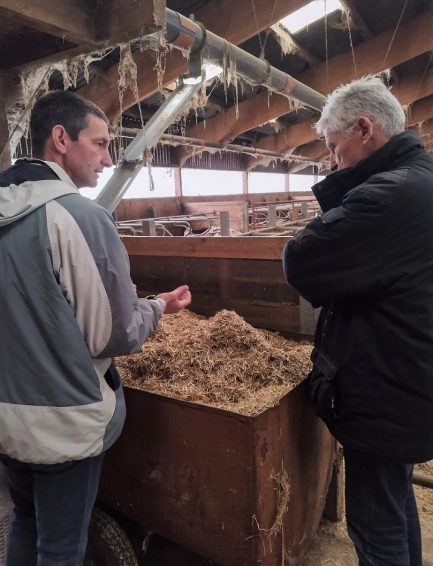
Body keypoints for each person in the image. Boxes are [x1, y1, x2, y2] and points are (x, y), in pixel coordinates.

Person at [0, 89, 191, 565]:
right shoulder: (80, 218)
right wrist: (158, 306)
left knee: (25, 518)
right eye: (100, 143)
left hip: (4, 415)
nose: (108, 158)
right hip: (62, 422)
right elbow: (116, 333)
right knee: (62, 546)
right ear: (60, 139)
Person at [282, 76, 433, 566]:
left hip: (387, 388)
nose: (331, 161)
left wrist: (345, 192)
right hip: (413, 376)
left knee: (373, 521)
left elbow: (301, 260)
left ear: (365, 129)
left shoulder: (390, 195)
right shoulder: (423, 178)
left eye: (334, 146)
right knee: (394, 499)